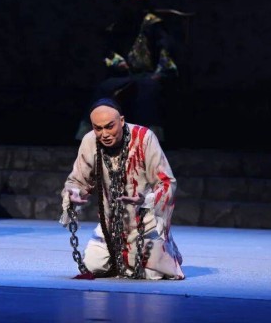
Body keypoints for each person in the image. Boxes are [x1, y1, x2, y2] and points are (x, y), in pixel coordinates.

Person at [61, 98, 184, 279]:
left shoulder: (144, 137)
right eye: (98, 128)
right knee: (93, 266)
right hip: (110, 222)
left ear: (121, 121)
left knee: (152, 274)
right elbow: (77, 180)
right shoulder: (90, 141)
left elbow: (166, 182)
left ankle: (166, 246)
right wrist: (73, 193)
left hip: (144, 219)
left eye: (109, 127)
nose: (104, 134)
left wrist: (146, 200)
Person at [77, 0, 178, 141]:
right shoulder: (117, 26)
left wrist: (160, 73)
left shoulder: (152, 24)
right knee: (104, 88)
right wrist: (117, 62)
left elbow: (165, 50)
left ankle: (151, 138)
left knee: (147, 90)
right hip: (126, 74)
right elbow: (109, 52)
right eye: (124, 2)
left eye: (132, 1)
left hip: (149, 74)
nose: (128, 6)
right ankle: (90, 134)